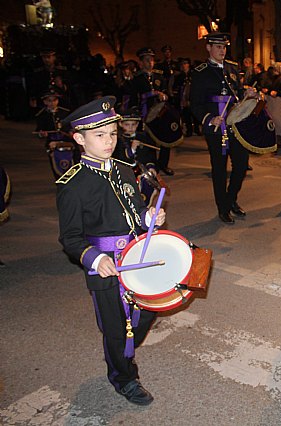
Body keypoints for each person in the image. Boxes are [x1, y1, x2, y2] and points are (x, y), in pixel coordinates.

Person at [56, 96, 166, 405]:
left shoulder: (124, 168)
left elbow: (136, 209)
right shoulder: (72, 185)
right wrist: (95, 258)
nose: (109, 141)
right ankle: (123, 377)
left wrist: (149, 218)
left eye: (113, 134)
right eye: (99, 135)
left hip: (136, 255)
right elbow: (71, 238)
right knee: (117, 329)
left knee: (146, 312)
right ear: (79, 139)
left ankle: (125, 348)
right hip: (105, 266)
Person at [190, 32, 257, 224]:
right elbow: (195, 104)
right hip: (216, 127)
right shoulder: (201, 72)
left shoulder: (232, 68)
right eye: (218, 47)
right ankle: (223, 207)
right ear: (209, 48)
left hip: (235, 125)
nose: (222, 50)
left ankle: (231, 199)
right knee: (219, 169)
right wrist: (209, 119)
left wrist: (247, 92)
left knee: (242, 164)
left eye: (224, 47)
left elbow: (236, 92)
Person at [131, 47, 173, 176]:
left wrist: (164, 96)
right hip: (145, 113)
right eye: (147, 60)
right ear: (141, 62)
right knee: (150, 141)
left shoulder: (159, 76)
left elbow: (167, 93)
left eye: (152, 60)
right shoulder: (136, 79)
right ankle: (152, 165)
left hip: (161, 113)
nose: (150, 63)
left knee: (166, 138)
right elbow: (134, 97)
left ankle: (163, 164)